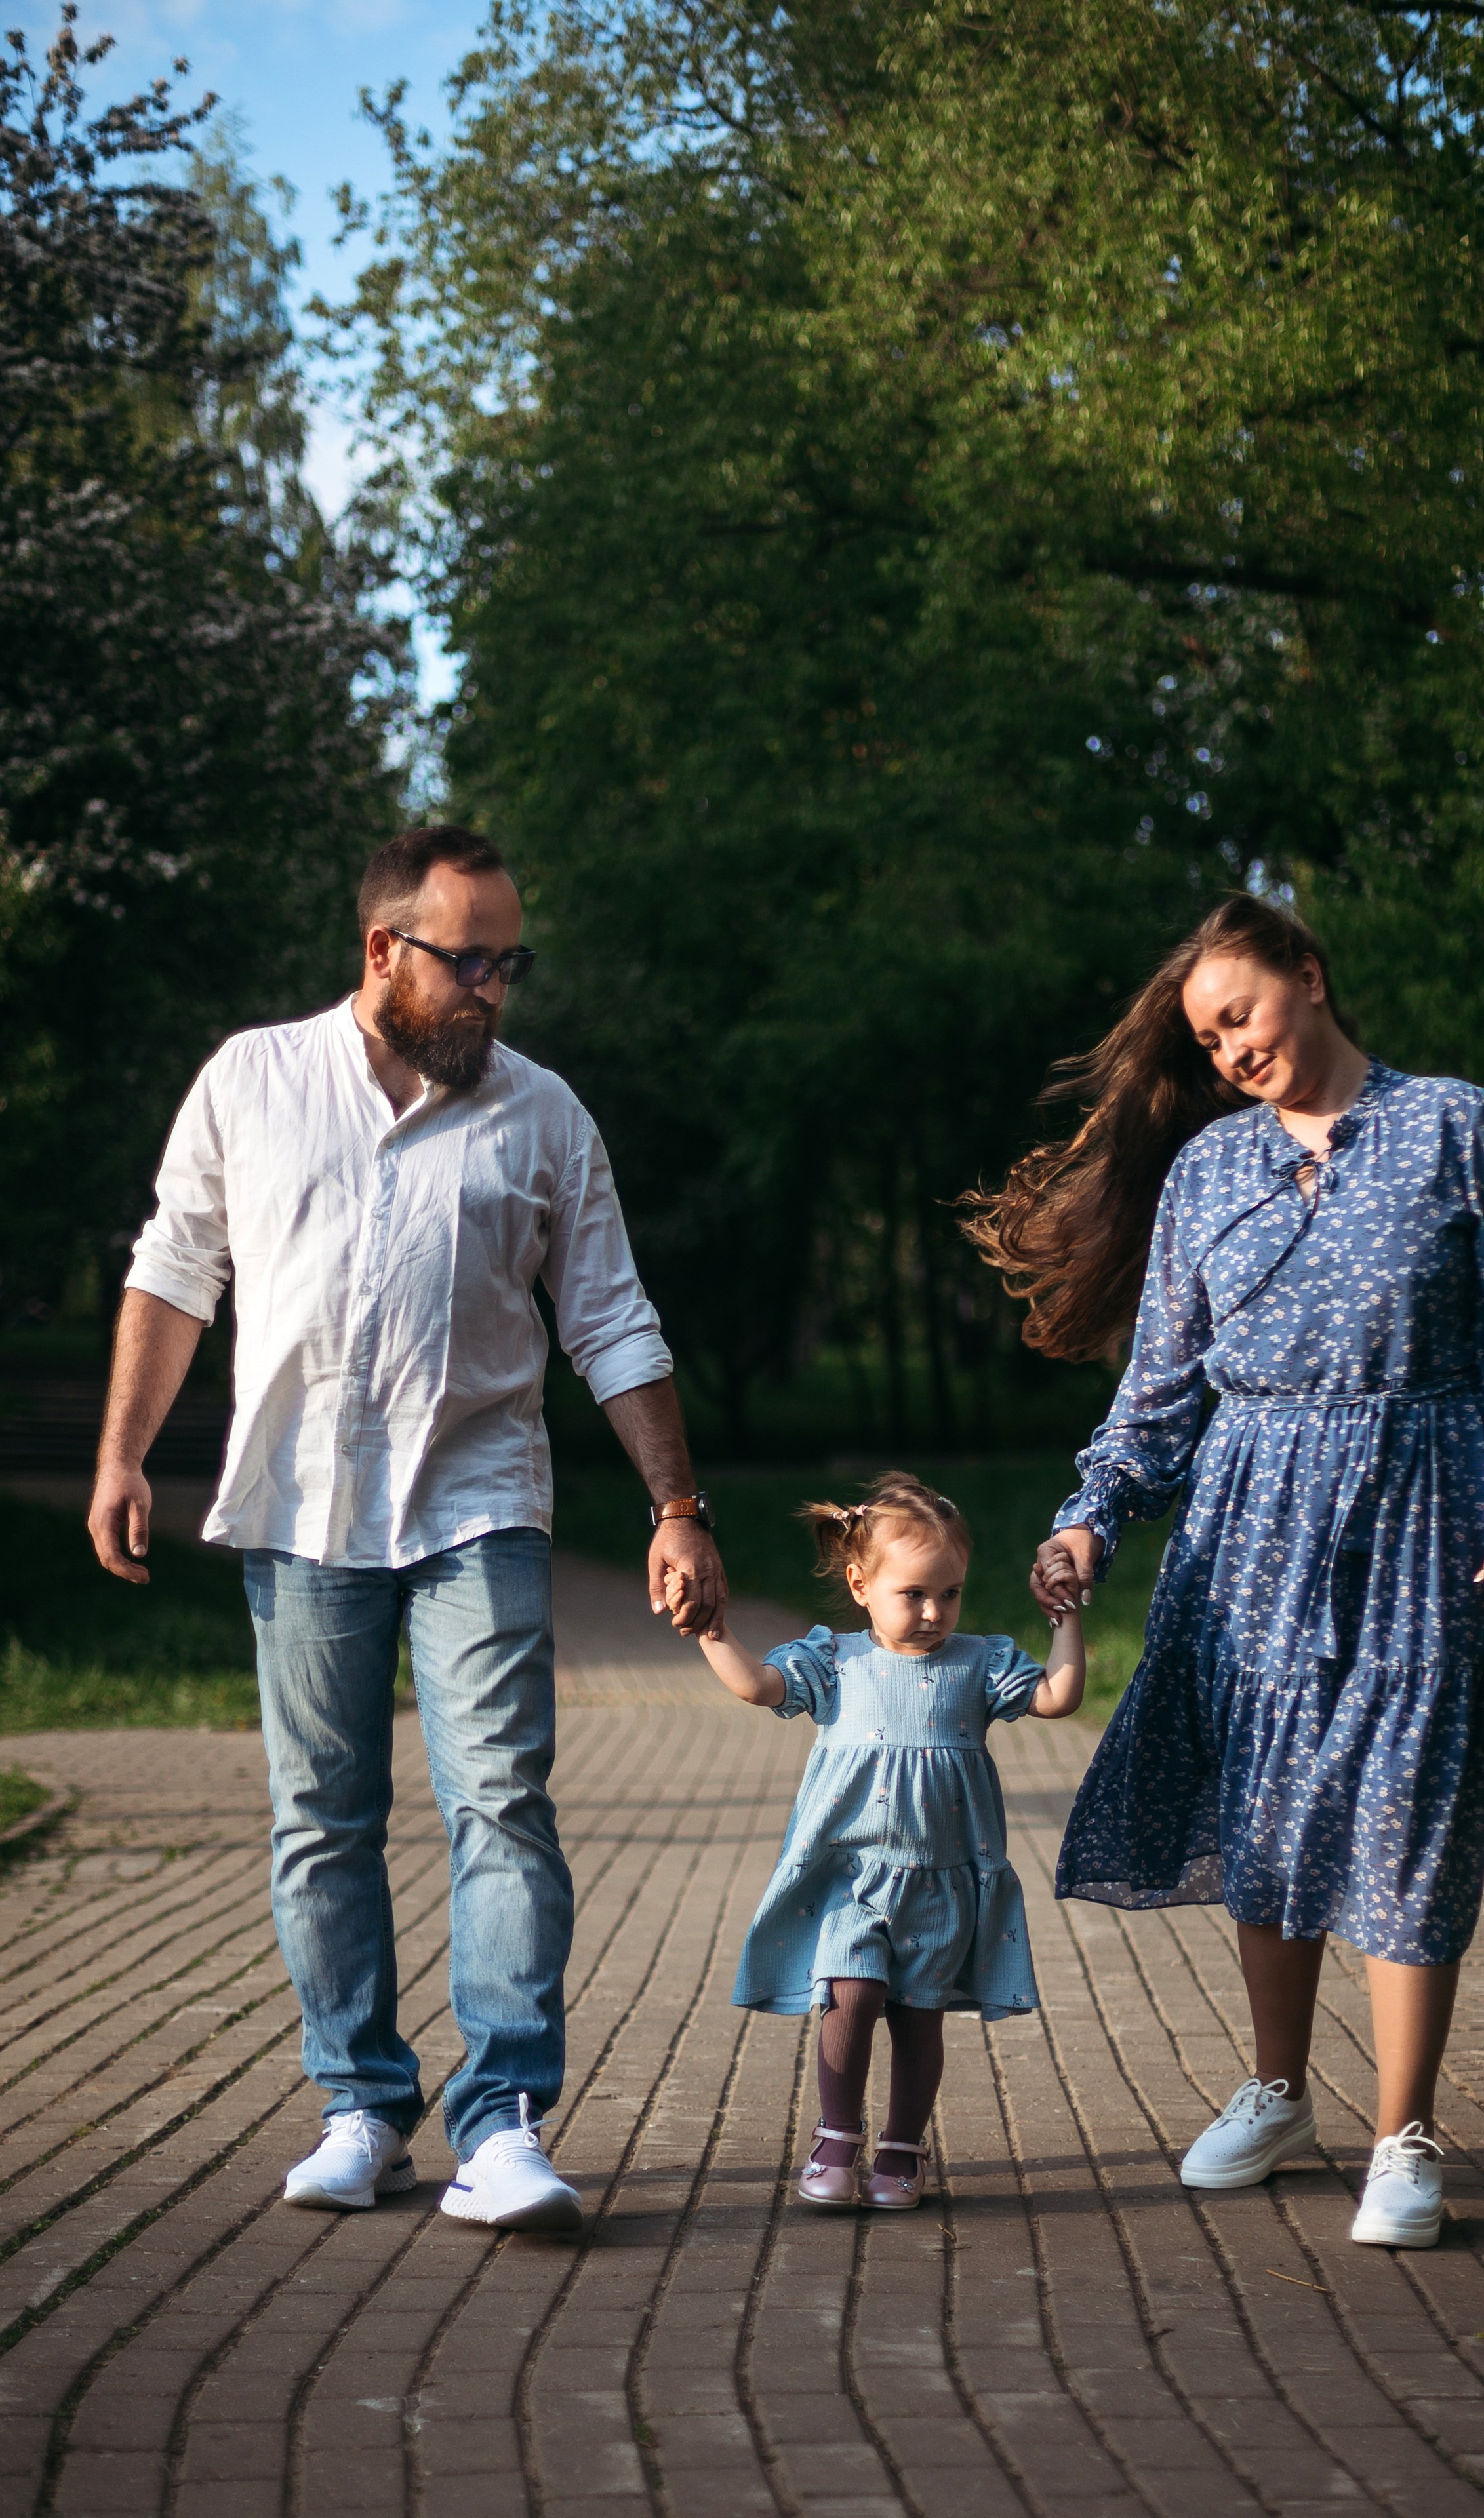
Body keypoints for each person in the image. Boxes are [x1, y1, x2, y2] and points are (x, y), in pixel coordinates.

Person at [87, 825, 727, 2233]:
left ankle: (500, 2125)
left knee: (501, 1802)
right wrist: (124, 1453)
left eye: (509, 962)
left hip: (479, 1503)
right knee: (322, 1819)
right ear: (384, 949)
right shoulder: (252, 1079)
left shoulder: (543, 1114)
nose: (494, 988)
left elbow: (611, 1319)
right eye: (470, 961)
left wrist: (676, 1509)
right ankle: (363, 2107)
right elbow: (175, 1270)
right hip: (301, 1505)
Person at [965, 896, 1484, 2250]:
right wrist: (1090, 1519)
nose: (1230, 1050)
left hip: (1422, 1508)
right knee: (1270, 1811)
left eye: (1237, 1015)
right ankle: (1281, 2091)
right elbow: (1159, 1389)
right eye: (1207, 1039)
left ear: (1308, 973)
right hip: (1248, 1524)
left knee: (1409, 1803)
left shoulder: (1450, 1124)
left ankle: (1404, 2137)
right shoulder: (1208, 1170)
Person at [686, 1472, 1085, 2210]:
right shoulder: (835, 1661)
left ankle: (902, 2150)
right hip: (851, 1875)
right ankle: (836, 2139)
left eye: (950, 1593)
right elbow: (759, 1686)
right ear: (860, 1585)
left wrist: (1065, 1621)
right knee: (853, 1991)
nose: (934, 1612)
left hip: (941, 1880)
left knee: (919, 2015)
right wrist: (712, 1632)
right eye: (914, 1594)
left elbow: (1058, 1698)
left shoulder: (980, 1662)